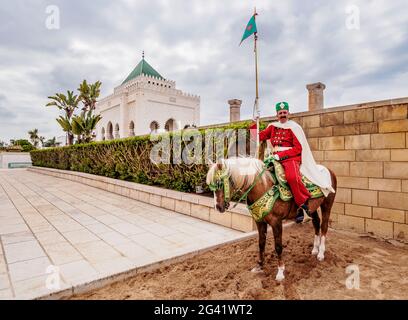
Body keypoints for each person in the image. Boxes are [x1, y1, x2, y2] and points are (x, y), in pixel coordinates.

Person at [250, 102, 311, 223]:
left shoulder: (294, 127)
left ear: (289, 113)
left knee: (292, 177)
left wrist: (280, 155)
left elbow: (298, 148)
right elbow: (257, 137)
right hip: (273, 157)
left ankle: (302, 206)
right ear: (277, 114)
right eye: (280, 113)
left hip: (290, 157)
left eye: (284, 112)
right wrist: (254, 122)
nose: (282, 115)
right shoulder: (272, 127)